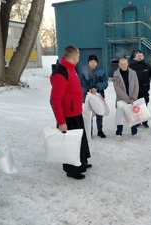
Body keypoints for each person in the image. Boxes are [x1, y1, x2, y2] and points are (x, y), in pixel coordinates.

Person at [50, 45, 91, 180]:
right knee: (70, 145)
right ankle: (72, 171)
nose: (79, 58)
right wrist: (61, 122)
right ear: (74, 57)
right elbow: (55, 100)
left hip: (75, 113)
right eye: (78, 56)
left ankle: (81, 163)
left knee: (80, 142)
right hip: (67, 117)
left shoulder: (71, 69)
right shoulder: (61, 73)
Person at [79, 54, 108, 138]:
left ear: (97, 63)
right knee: (89, 114)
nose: (93, 63)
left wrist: (96, 88)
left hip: (99, 96)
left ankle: (100, 130)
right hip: (87, 97)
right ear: (88, 62)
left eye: (94, 62)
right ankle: (89, 131)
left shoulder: (101, 71)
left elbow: (105, 82)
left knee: (99, 113)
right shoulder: (83, 72)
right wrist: (89, 89)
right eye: (91, 62)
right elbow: (82, 83)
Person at [113, 58, 139, 140]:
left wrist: (133, 98)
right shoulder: (116, 74)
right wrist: (127, 99)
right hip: (121, 99)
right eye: (121, 64)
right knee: (120, 115)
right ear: (119, 65)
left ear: (127, 64)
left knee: (132, 114)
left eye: (125, 64)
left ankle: (134, 131)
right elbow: (117, 89)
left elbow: (136, 85)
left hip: (132, 98)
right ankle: (119, 132)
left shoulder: (133, 72)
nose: (123, 66)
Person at [129, 50, 151, 128]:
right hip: (135, 90)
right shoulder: (131, 66)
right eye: (138, 55)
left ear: (143, 57)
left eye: (141, 55)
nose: (139, 57)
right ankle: (138, 121)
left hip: (144, 89)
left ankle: (145, 121)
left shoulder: (147, 66)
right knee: (136, 105)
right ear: (135, 57)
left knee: (144, 105)